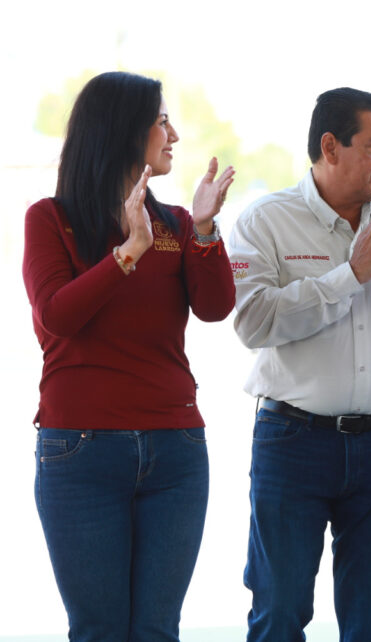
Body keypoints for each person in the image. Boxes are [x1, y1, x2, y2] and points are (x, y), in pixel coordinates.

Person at [22, 71, 236, 640]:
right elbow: (57, 317)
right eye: (161, 120)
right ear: (123, 130)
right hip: (79, 454)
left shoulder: (177, 224)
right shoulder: (50, 218)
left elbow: (215, 307)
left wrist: (208, 227)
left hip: (176, 450)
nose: (174, 134)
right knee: (98, 629)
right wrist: (127, 254)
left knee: (158, 630)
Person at [229, 86, 371, 641]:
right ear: (330, 146)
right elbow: (253, 323)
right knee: (279, 614)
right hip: (293, 443)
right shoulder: (266, 221)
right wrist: (350, 276)